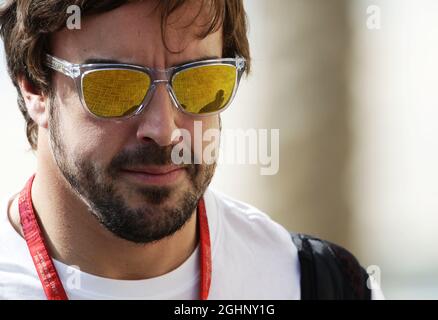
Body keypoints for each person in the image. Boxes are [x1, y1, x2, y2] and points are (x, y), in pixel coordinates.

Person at [0, 0, 381, 300]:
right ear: (34, 86)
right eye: (114, 86)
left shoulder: (321, 285)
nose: (164, 131)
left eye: (199, 81)